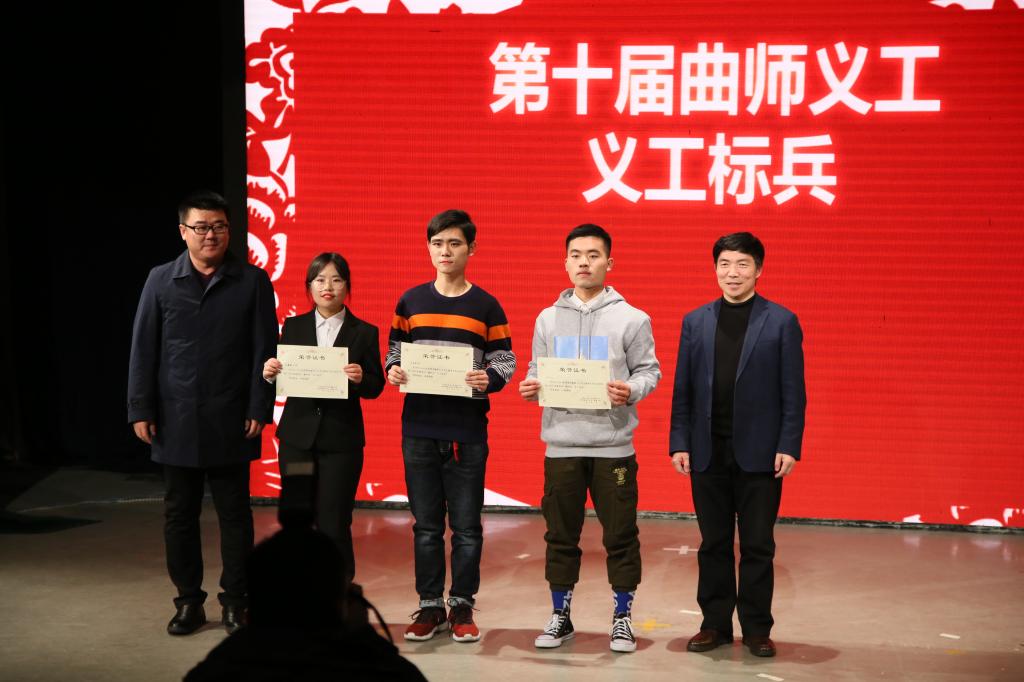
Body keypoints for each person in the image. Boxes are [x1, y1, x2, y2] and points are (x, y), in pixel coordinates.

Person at [127, 190, 277, 635]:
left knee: (235, 515)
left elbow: (264, 349)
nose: (211, 235)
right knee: (179, 515)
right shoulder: (160, 280)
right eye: (201, 227)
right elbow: (143, 348)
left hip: (233, 416)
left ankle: (236, 601)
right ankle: (188, 602)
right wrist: (140, 407)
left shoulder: (252, 281)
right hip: (174, 418)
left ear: (229, 230)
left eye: (219, 226)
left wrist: (259, 404)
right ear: (183, 231)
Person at [518, 223, 661, 653]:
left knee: (620, 535)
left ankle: (622, 618)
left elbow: (649, 371)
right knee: (560, 535)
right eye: (576, 255)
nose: (584, 262)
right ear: (565, 262)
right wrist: (531, 385)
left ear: (609, 263)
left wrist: (630, 390)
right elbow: (537, 368)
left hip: (613, 447)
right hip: (561, 445)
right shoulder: (547, 318)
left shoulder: (632, 318)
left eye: (593, 255)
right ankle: (560, 616)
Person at [669, 232, 806, 658]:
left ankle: (757, 629)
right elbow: (683, 389)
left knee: (757, 544)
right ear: (715, 269)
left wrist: (789, 444)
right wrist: (679, 441)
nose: (733, 273)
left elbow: (793, 391)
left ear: (758, 270)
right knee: (712, 543)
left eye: (742, 264)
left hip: (760, 452)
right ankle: (714, 625)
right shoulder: (695, 321)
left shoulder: (781, 321)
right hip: (707, 449)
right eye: (725, 264)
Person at [385, 209, 516, 643]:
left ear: (471, 249)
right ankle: (429, 606)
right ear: (429, 248)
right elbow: (394, 351)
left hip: (467, 431)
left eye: (455, 243)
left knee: (466, 528)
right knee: (425, 526)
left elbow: (505, 359)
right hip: (419, 428)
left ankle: (461, 605)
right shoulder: (410, 301)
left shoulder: (486, 305)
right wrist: (393, 370)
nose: (446, 251)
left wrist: (488, 378)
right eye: (438, 243)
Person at [262, 252, 385, 581]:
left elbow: (376, 386)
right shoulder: (293, 326)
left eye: (336, 279)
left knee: (334, 520)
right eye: (319, 280)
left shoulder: (364, 332)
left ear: (347, 286)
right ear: (309, 286)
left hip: (341, 442)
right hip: (297, 440)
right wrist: (270, 373)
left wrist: (361, 378)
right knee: (297, 517)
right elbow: (282, 374)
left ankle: (339, 590)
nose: (327, 286)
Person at [185, 523, 427, 682]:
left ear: (253, 612)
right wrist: (363, 634)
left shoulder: (219, 669)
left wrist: (247, 637)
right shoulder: (383, 671)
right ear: (343, 603)